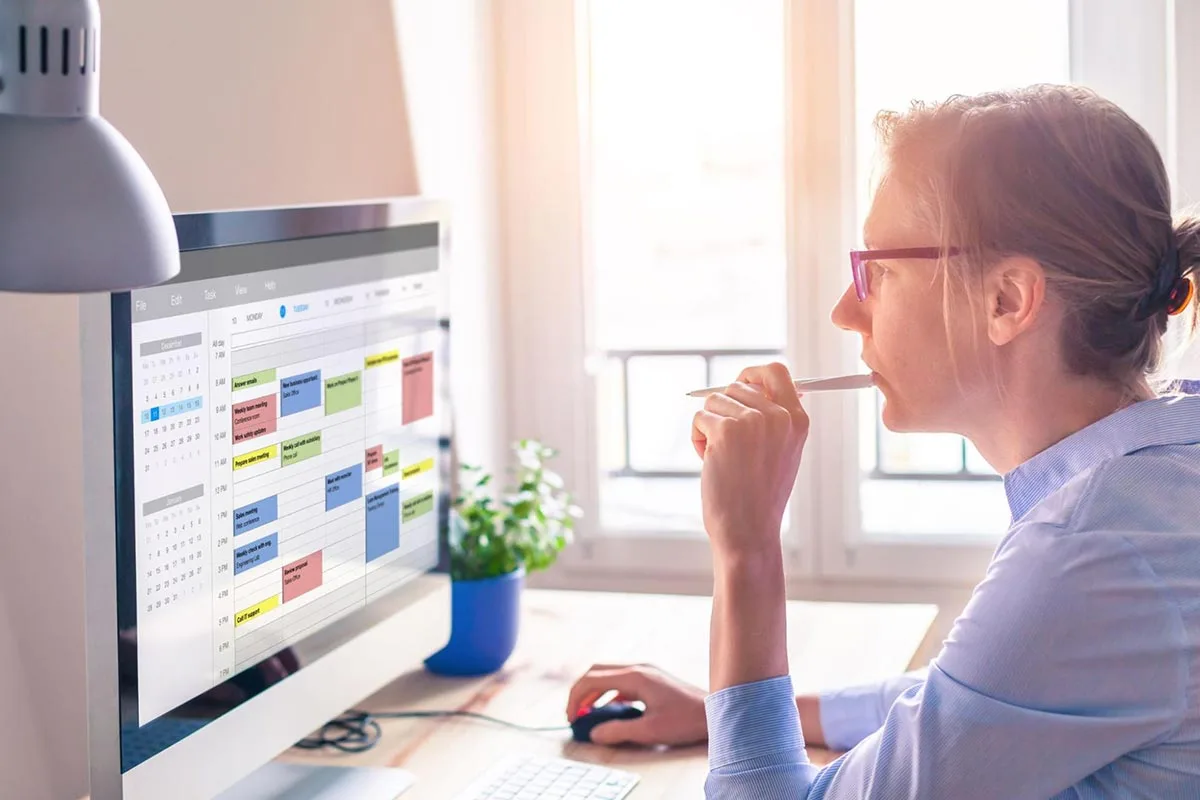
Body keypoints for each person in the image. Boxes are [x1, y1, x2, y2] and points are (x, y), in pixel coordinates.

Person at [566, 84, 1200, 798]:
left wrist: (746, 549)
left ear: (1008, 300)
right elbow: (973, 699)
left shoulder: (1093, 550)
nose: (845, 311)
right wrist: (723, 715)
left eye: (879, 270)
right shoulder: (1158, 479)